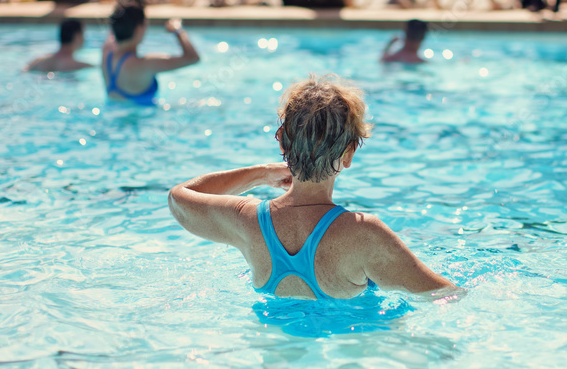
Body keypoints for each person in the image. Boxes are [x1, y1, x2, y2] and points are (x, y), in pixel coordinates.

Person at [168, 75, 457, 299]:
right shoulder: (365, 235)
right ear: (349, 154)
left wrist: (260, 173)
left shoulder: (248, 222)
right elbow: (446, 295)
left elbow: (179, 199)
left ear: (281, 141)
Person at [102, 0, 200, 105]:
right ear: (139, 29)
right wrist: (178, 30)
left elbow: (118, 18)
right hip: (140, 120)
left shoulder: (106, 50)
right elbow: (193, 58)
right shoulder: (144, 65)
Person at [25, 19, 93, 72]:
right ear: (77, 36)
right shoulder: (81, 66)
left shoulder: (38, 62)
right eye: (83, 35)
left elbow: (24, 71)